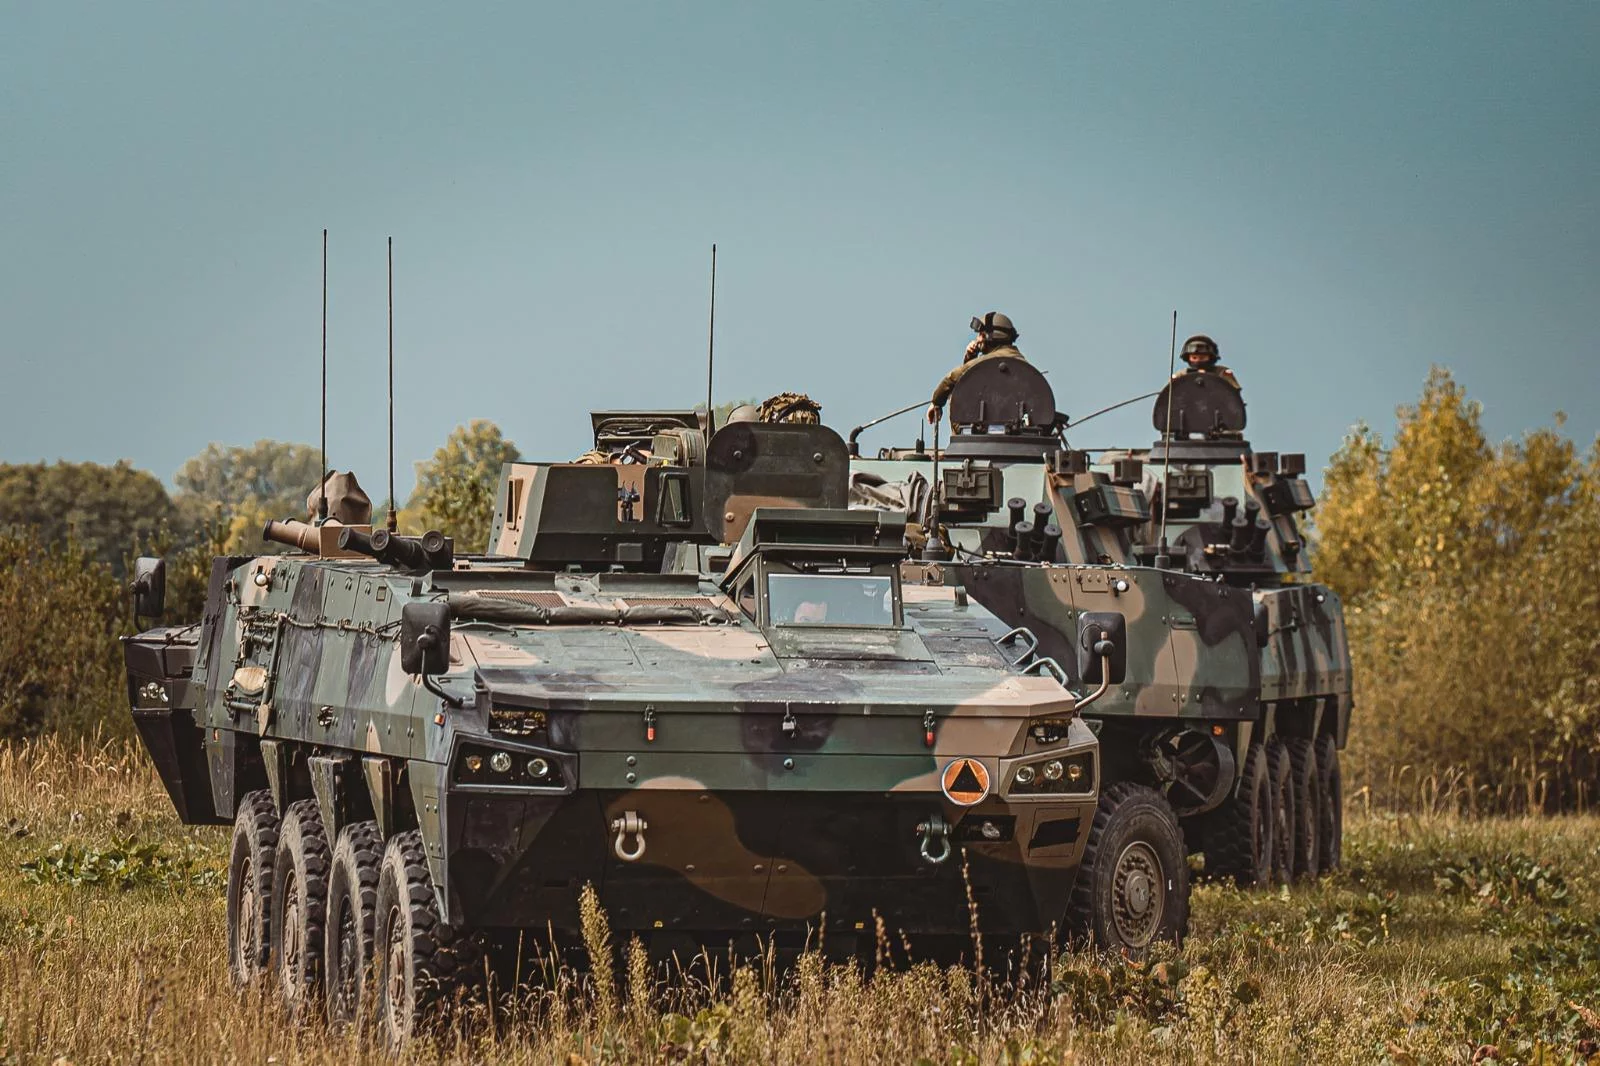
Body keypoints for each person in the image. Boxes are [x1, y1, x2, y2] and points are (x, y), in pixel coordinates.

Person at [927, 312, 1027, 423]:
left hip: (986, 426)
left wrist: (936, 403)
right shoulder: (1022, 363)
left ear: (991, 337)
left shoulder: (990, 361)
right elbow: (971, 380)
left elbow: (953, 378)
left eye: (981, 335)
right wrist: (971, 357)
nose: (977, 339)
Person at [1174, 334, 1240, 390]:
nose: (1198, 360)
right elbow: (1171, 393)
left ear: (1210, 358)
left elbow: (1233, 394)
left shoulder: (1222, 373)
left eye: (1202, 358)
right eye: (1194, 358)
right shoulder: (1181, 375)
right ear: (1188, 358)